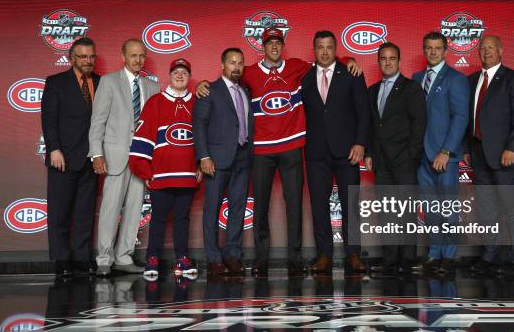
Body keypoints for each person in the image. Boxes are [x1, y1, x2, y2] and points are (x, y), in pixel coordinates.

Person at [196, 28, 361, 276]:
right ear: (262, 46)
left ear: (283, 46)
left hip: (292, 146)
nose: (274, 46)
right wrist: (202, 84)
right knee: (260, 207)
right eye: (269, 43)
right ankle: (261, 258)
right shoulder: (248, 73)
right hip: (262, 150)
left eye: (278, 42)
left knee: (294, 206)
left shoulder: (298, 66)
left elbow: (326, 62)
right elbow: (224, 86)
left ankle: (294, 258)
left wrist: (350, 60)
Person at [89, 39, 160, 276]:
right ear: (123, 56)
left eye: (141, 55)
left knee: (133, 209)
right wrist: (97, 153)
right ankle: (103, 260)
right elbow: (98, 120)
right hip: (114, 157)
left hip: (141, 158)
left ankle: (124, 257)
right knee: (110, 209)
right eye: (133, 55)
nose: (138, 60)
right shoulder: (109, 82)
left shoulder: (152, 87)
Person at [301, 30, 370, 274]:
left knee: (350, 204)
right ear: (314, 49)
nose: (325, 51)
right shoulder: (305, 78)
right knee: (319, 206)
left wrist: (361, 143)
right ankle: (324, 254)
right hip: (316, 152)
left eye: (329, 46)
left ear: (336, 48)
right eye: (320, 47)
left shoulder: (351, 74)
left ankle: (354, 254)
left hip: (347, 151)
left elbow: (363, 112)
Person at [463, 35, 514, 276]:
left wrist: (511, 148)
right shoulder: (471, 81)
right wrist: (466, 149)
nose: (486, 52)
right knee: (487, 209)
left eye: (491, 48)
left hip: (506, 156)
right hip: (479, 154)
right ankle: (490, 256)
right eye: (482, 48)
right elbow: (466, 119)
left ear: (501, 50)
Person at [128, 58, 202, 280]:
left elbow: (206, 138)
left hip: (187, 175)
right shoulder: (156, 102)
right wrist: (145, 170)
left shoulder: (198, 103)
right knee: (158, 219)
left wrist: (201, 164)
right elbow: (143, 136)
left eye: (184, 72)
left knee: (182, 219)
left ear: (189, 77)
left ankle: (182, 258)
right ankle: (153, 259)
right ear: (170, 76)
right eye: (176, 72)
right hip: (161, 175)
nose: (180, 75)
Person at [364, 42, 427, 273]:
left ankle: (407, 259)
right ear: (378, 61)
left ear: (399, 61)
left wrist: (411, 155)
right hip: (381, 162)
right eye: (383, 58)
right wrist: (370, 153)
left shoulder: (411, 88)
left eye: (392, 58)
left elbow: (419, 124)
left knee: (406, 212)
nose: (388, 62)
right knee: (387, 211)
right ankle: (390, 259)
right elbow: (371, 127)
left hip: (404, 160)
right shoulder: (372, 91)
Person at [411, 32, 469, 274]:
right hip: (421, 156)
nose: (433, 52)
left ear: (446, 51)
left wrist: (447, 151)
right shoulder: (416, 78)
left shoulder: (456, 79)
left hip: (444, 155)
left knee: (448, 209)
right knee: (431, 210)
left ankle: (449, 257)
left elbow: (460, 117)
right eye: (428, 48)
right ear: (424, 50)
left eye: (437, 48)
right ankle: (434, 254)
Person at [41, 37, 100, 277]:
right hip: (63, 157)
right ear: (71, 58)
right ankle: (62, 259)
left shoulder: (101, 82)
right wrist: (54, 148)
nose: (88, 61)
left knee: (85, 213)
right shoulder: (56, 83)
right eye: (83, 56)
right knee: (60, 212)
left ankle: (82, 258)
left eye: (91, 56)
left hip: (92, 158)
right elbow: (48, 119)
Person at [193, 48, 254, 277]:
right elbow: (199, 125)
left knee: (238, 208)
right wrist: (203, 157)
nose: (236, 67)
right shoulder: (209, 90)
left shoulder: (246, 92)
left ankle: (232, 255)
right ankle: (213, 258)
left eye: (240, 63)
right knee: (212, 208)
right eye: (232, 63)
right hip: (216, 160)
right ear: (222, 65)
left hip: (242, 156)